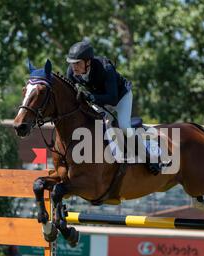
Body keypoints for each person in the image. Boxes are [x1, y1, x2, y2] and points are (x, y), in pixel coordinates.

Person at [66, 40, 162, 175]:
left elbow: (112, 98)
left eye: (77, 63)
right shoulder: (71, 72)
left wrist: (90, 97)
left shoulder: (106, 68)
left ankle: (150, 159)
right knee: (94, 125)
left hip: (120, 97)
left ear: (88, 62)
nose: (74, 67)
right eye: (72, 63)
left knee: (123, 126)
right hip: (99, 98)